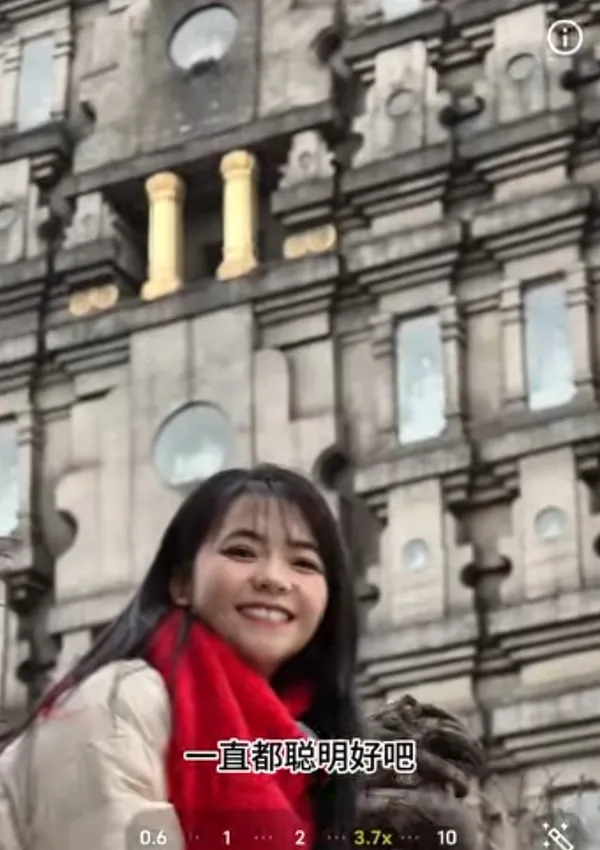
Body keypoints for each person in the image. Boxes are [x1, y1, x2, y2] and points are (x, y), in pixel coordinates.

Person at [0, 464, 362, 850]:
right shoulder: (123, 704)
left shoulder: (304, 746)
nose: (274, 578)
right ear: (181, 583)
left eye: (303, 562)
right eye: (241, 551)